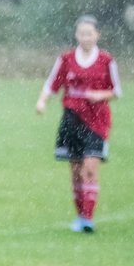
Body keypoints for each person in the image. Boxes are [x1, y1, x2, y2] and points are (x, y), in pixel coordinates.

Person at [36, 15, 122, 233]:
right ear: (77, 35)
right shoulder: (65, 59)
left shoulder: (106, 60)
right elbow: (51, 84)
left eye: (90, 33)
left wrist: (99, 94)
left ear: (97, 35)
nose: (86, 37)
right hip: (72, 120)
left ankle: (88, 219)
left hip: (97, 122)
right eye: (82, 33)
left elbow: (116, 91)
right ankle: (80, 215)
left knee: (90, 169)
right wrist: (42, 102)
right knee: (75, 171)